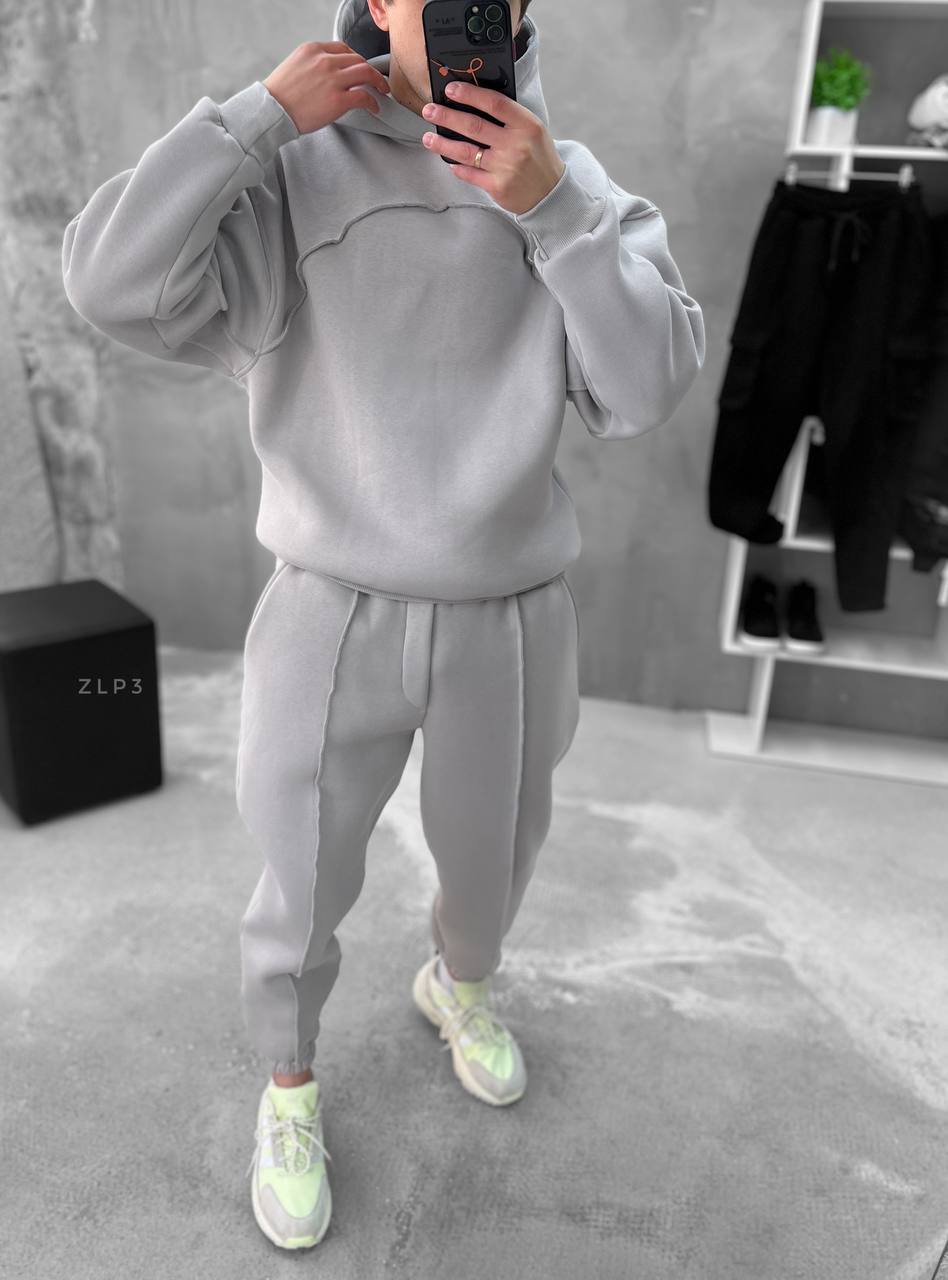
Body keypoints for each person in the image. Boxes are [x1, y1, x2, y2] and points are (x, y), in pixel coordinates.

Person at [61, 0, 705, 1252]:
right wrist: (253, 121)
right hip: (328, 604)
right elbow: (107, 282)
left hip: (509, 610)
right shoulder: (291, 176)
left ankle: (461, 984)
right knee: (298, 878)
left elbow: (644, 390)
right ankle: (288, 1082)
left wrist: (555, 209)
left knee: (493, 855)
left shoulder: (575, 187)